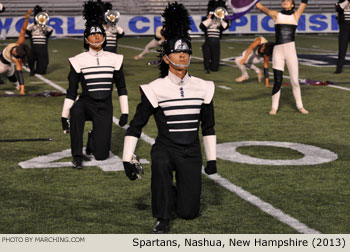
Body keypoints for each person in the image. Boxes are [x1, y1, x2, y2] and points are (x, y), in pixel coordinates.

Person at [122, 2, 217, 234]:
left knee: (188, 213)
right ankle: (162, 218)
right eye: (176, 51)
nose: (182, 54)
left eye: (186, 52)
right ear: (166, 58)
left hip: (192, 150)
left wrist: (212, 159)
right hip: (166, 147)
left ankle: (173, 194)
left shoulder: (204, 87)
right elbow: (136, 126)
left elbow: (208, 126)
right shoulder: (155, 88)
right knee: (161, 162)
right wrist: (127, 157)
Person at [61, 0, 129, 169]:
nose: (97, 36)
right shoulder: (78, 60)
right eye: (92, 35)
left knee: (101, 156)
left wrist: (125, 112)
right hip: (85, 103)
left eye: (99, 34)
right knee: (76, 111)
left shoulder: (115, 59)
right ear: (86, 39)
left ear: (104, 37)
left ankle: (93, 140)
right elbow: (71, 91)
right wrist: (64, 115)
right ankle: (77, 155)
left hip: (105, 105)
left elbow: (121, 87)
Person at [256, 0, 309, 115]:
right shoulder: (276, 15)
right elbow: (260, 7)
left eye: (288, 0)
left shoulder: (296, 15)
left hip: (291, 51)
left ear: (292, 5)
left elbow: (304, 2)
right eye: (283, 0)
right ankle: (274, 108)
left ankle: (300, 106)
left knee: (295, 81)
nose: (285, 1)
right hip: (278, 52)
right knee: (278, 80)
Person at [0, 9, 31, 95]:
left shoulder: (17, 60)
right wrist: (27, 19)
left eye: (16, 52)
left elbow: (20, 73)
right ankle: (16, 85)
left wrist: (22, 89)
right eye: (15, 50)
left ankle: (17, 86)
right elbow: (23, 30)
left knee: (13, 78)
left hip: (5, 66)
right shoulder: (18, 44)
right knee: (11, 76)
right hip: (2, 63)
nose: (14, 51)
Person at [200, 0, 229, 73]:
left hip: (216, 41)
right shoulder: (207, 20)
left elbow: (226, 26)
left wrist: (220, 18)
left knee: (215, 67)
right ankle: (206, 67)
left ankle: (212, 66)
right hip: (208, 40)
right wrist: (210, 18)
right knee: (207, 54)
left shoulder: (221, 21)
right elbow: (202, 26)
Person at [26, 5, 53, 75]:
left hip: (42, 46)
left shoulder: (46, 26)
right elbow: (27, 31)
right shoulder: (32, 25)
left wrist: (43, 26)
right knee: (31, 58)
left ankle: (39, 70)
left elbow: (49, 33)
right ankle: (31, 70)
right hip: (34, 45)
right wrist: (34, 24)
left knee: (42, 67)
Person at [335, 0, 350, 74]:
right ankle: (339, 69)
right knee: (342, 49)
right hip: (344, 27)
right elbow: (338, 8)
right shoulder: (341, 2)